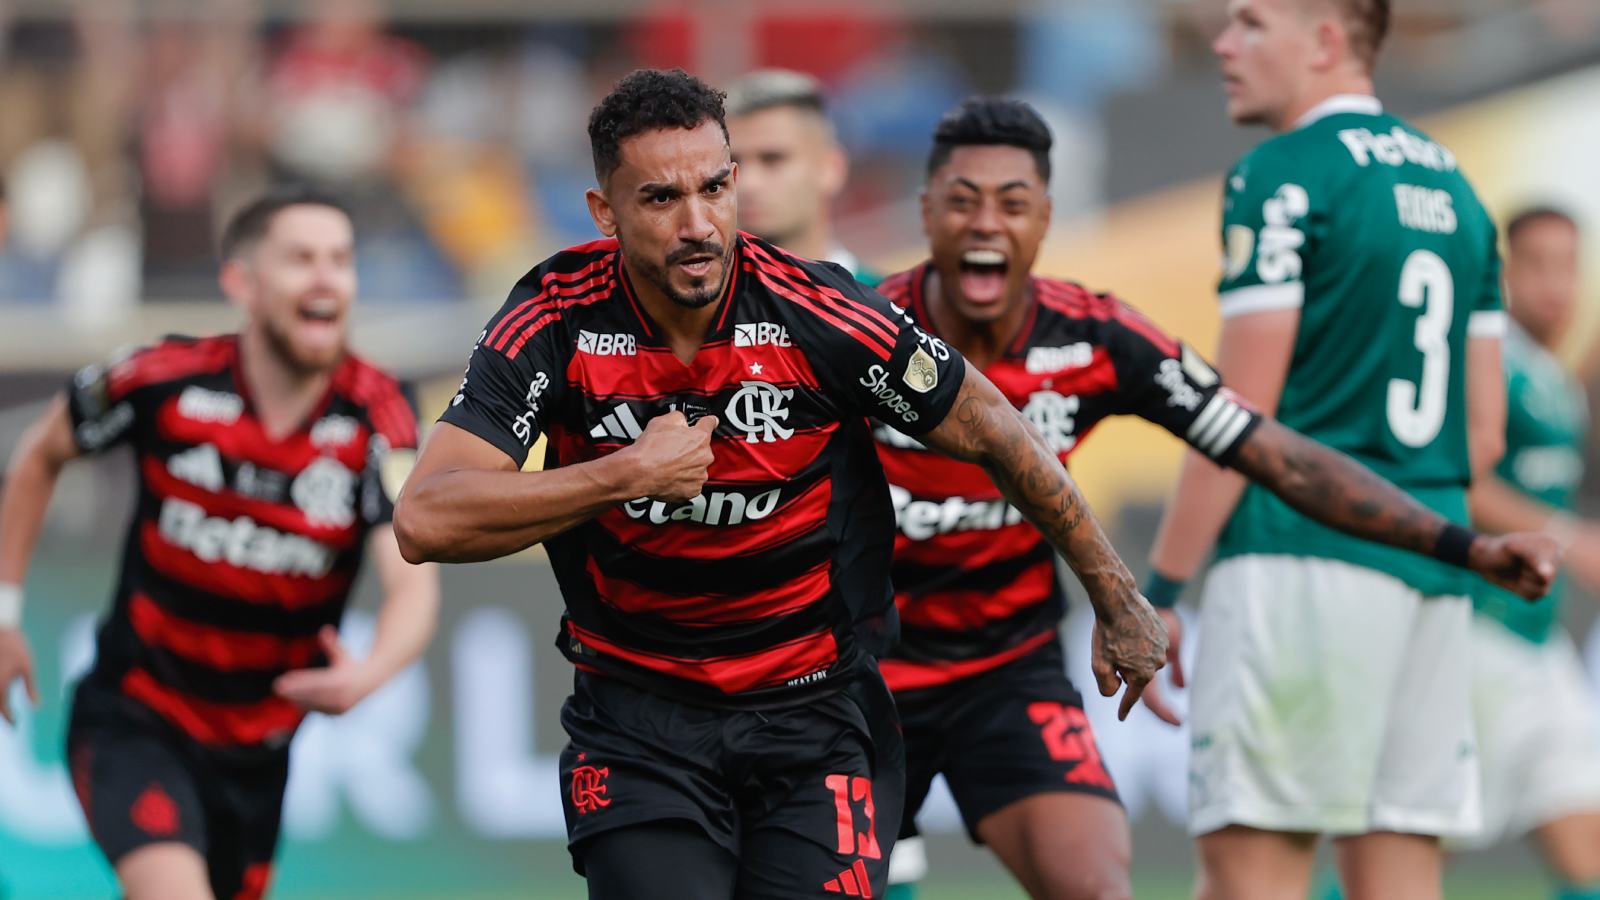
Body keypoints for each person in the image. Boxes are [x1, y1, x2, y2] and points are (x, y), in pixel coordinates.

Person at [392, 68, 1166, 900]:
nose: (698, 226)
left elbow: (993, 426)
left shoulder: (818, 311)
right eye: (659, 200)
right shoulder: (553, 313)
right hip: (639, 722)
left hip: (817, 714)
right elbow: (427, 519)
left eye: (715, 188)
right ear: (604, 213)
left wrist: (1117, 595)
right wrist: (619, 474)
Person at [875, 97, 1556, 900]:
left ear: (1047, 217)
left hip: (1008, 675)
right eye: (962, 201)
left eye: (1013, 203)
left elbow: (1278, 457)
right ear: (926, 211)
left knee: (1098, 888)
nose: (986, 224)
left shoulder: (1093, 337)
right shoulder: (864, 329)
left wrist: (1465, 546)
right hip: (862, 675)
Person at [1145, 2, 1516, 897]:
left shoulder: (1282, 174)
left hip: (1298, 565)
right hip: (1430, 570)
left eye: (1250, 22)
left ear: (1325, 41)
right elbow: (1484, 433)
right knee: (1397, 874)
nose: (1224, 45)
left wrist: (1155, 592)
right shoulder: (1458, 189)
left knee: (1251, 875)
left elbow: (1236, 420)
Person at [0, 186, 439, 900]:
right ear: (243, 283)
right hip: (134, 716)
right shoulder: (161, 380)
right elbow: (39, 455)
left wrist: (370, 673)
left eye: (340, 259)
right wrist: (5, 613)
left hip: (256, 757)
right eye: (301, 259)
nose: (326, 277)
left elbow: (413, 579)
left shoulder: (379, 415)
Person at [1455, 206, 1600, 898]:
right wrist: (1571, 542)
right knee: (1418, 850)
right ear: (1507, 275)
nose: (1556, 284)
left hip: (1539, 646)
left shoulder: (1555, 378)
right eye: (1537, 264)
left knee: (1584, 841)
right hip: (1479, 633)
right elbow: (1465, 481)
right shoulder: (1494, 365)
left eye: (1569, 266)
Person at [726, 68, 883, 285]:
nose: (747, 184)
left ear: (831, 168)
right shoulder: (693, 310)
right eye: (732, 163)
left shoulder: (892, 308)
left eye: (772, 159)